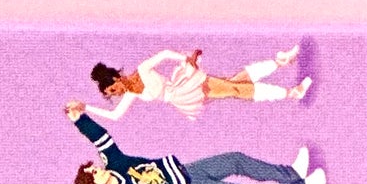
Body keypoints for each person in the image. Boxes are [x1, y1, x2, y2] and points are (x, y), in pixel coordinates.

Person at [67, 105, 322, 184]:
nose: (97, 169)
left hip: (187, 170)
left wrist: (79, 119)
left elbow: (100, 138)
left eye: (93, 168)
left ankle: (292, 174)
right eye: (94, 174)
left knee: (235, 159)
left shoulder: (114, 163)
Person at [87, 46, 312, 123]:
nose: (117, 93)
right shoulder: (131, 94)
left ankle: (282, 67)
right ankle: (290, 91)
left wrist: (186, 59)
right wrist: (86, 108)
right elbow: (115, 115)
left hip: (185, 84)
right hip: (183, 97)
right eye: (112, 94)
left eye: (113, 89)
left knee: (233, 84)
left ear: (116, 78)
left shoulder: (142, 69)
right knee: (233, 87)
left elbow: (164, 54)